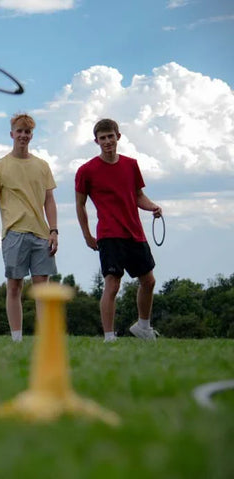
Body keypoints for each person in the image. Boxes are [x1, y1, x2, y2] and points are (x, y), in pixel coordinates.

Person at [75, 118, 162, 343]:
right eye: (102, 138)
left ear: (118, 137)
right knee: (112, 284)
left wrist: (153, 207)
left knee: (149, 281)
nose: (107, 141)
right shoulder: (86, 170)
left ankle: (143, 326)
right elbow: (80, 204)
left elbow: (138, 196)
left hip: (135, 232)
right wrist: (86, 235)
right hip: (109, 234)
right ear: (96, 141)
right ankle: (109, 336)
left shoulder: (131, 165)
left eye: (110, 136)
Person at [0, 113, 59, 342]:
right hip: (13, 234)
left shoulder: (42, 166)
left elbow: (49, 201)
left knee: (42, 289)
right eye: (19, 131)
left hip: (41, 234)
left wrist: (53, 230)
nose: (23, 136)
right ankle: (17, 338)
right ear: (11, 134)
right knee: (14, 287)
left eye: (27, 132)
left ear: (31, 135)